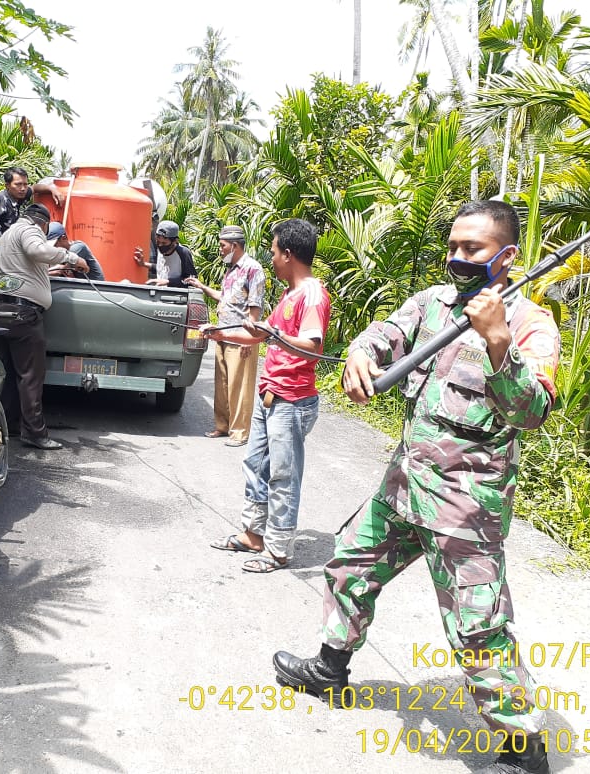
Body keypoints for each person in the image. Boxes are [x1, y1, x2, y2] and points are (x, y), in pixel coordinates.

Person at [272, 200, 561, 774]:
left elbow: (533, 413)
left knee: (478, 627)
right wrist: (359, 352)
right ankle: (330, 668)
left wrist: (499, 343)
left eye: (472, 249)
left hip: (465, 505)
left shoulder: (529, 324)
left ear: (506, 256)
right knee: (351, 564)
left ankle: (520, 747)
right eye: (453, 246)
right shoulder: (432, 303)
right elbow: (386, 333)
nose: (457, 258)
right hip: (405, 482)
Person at [205, 219, 330, 572]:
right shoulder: (290, 294)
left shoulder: (312, 295)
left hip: (291, 402)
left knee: (282, 476)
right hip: (269, 395)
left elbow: (311, 346)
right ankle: (252, 535)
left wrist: (271, 332)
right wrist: (219, 334)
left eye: (274, 252)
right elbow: (262, 336)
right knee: (256, 466)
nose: (271, 258)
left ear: (288, 255)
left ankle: (277, 550)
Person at [0, 203, 87, 451]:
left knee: (8, 374)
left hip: (3, 309)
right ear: (44, 223)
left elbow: (23, 265)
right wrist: (73, 257)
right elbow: (37, 251)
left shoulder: (7, 236)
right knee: (31, 377)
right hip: (24, 313)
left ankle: (10, 426)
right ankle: (35, 433)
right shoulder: (30, 229)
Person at [184, 225, 266, 447]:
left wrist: (249, 338)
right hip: (222, 335)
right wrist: (201, 287)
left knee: (239, 387)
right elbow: (225, 298)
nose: (220, 250)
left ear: (235, 245)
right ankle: (222, 425)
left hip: (240, 338)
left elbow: (254, 308)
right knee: (222, 385)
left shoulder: (252, 269)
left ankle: (240, 432)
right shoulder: (230, 270)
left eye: (222, 245)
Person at [0, 166, 64, 256]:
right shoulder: (0, 199)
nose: (23, 188)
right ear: (7, 185)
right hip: (0, 248)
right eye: (18, 184)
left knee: (56, 228)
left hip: (16, 240)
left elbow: (35, 188)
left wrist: (52, 189)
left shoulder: (20, 194)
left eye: (25, 184)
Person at [132, 220, 196, 287]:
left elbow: (192, 280)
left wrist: (168, 282)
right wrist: (144, 264)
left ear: (175, 241)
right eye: (158, 241)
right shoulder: (160, 248)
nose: (160, 245)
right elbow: (162, 269)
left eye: (164, 243)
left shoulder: (183, 253)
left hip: (176, 295)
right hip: (159, 292)